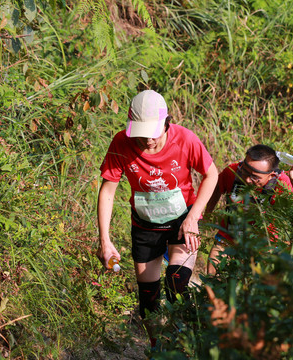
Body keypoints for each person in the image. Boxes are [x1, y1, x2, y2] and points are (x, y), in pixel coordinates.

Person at [96, 90, 218, 348]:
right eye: (142, 133)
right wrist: (104, 241)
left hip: (181, 222)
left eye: (155, 132)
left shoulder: (185, 139)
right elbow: (107, 191)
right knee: (148, 300)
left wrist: (193, 217)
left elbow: (212, 175)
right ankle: (157, 349)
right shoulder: (121, 143)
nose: (149, 140)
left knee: (177, 283)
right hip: (145, 226)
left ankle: (185, 344)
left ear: (167, 123)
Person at [205, 144, 293, 275]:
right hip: (228, 237)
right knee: (212, 274)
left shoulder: (280, 183)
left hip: (263, 245)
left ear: (270, 175)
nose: (247, 179)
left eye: (255, 177)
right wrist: (208, 214)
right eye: (245, 171)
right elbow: (217, 188)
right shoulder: (232, 171)